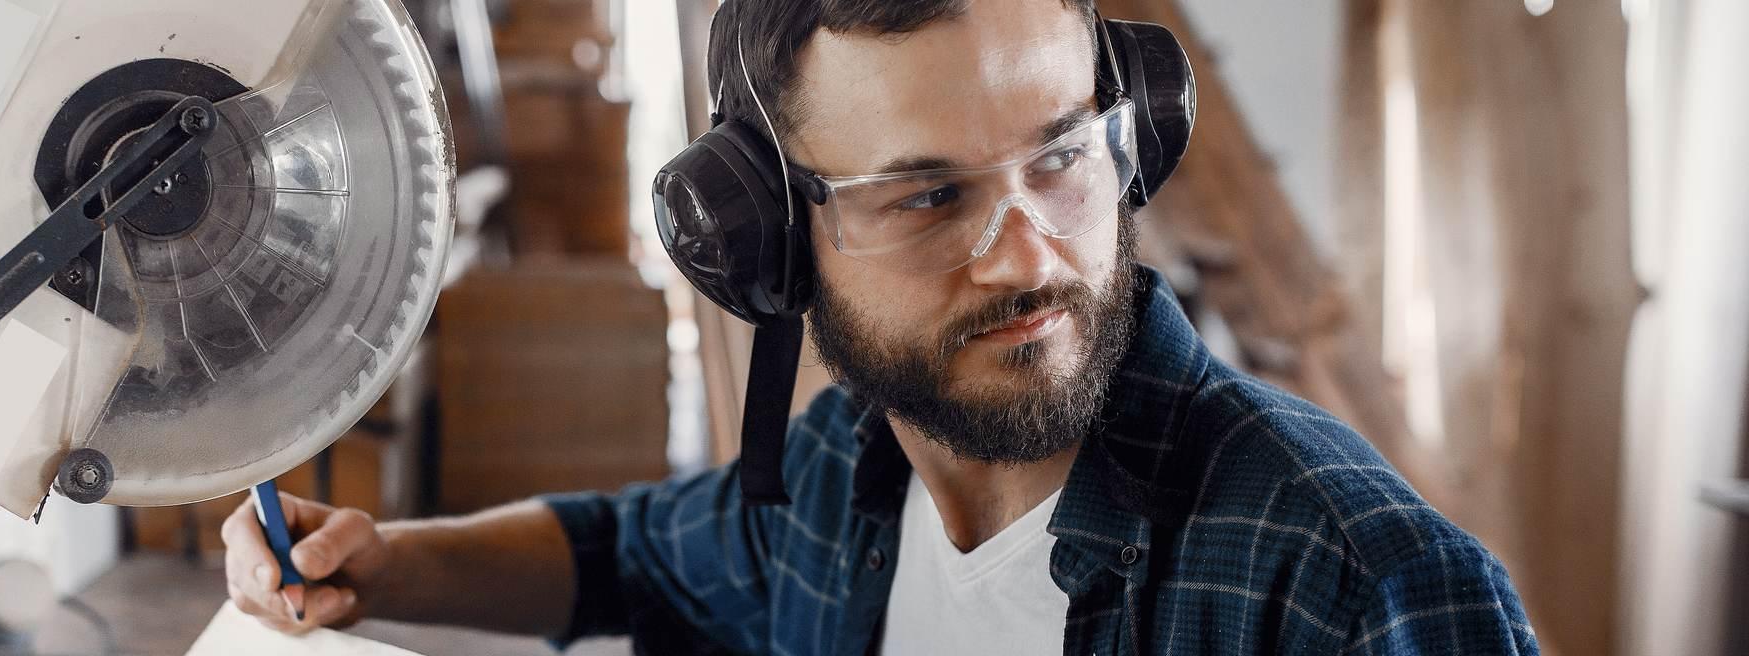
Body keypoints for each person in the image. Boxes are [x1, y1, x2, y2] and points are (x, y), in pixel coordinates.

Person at [221, 0, 1537, 653]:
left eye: (1063, 156)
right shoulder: (838, 484)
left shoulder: (1356, 588)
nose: (1028, 250)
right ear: (770, 240)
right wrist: (379, 563)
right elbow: (619, 551)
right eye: (927, 194)